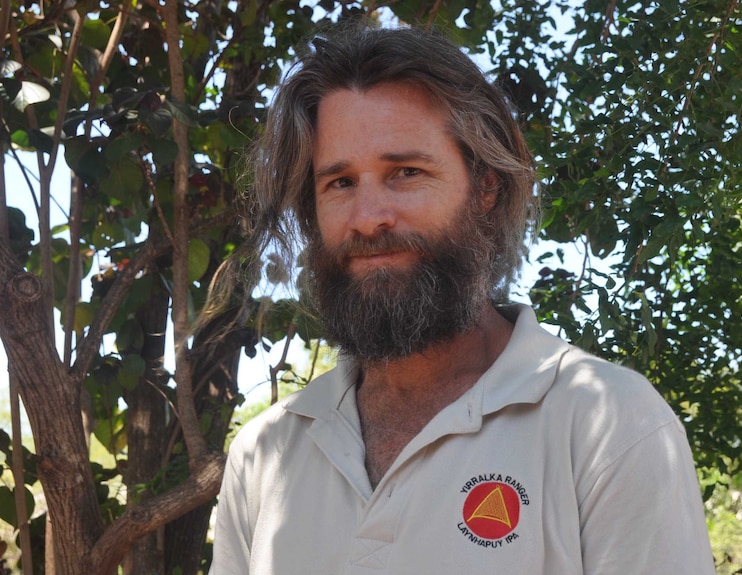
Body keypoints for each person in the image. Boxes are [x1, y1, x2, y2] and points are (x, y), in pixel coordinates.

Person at [210, 23, 715, 575]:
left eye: (406, 172)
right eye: (340, 182)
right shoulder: (268, 454)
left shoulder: (606, 423)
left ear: (485, 187)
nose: (368, 217)